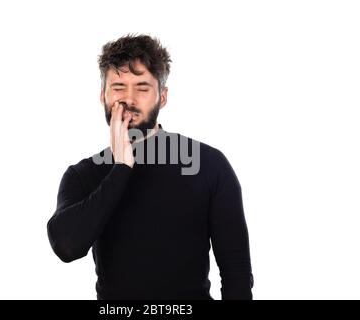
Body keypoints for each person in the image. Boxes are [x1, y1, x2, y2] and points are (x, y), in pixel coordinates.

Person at [46, 33, 254, 300]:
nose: (129, 99)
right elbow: (66, 246)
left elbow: (236, 272)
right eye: (118, 87)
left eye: (142, 88)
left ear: (162, 97)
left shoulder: (209, 166)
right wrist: (121, 167)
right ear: (103, 96)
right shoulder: (84, 174)